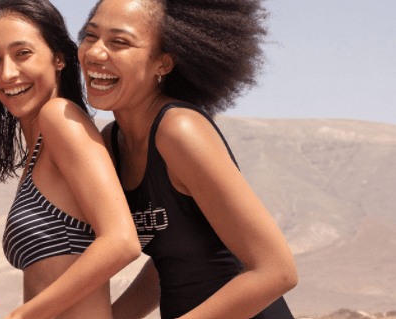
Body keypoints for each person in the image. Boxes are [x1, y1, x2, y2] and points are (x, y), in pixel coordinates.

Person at [77, 0, 298, 318]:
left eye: (120, 42)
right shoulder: (113, 141)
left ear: (163, 63)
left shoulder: (179, 130)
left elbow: (277, 271)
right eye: (90, 35)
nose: (95, 53)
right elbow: (173, 260)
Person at [0, 1, 141, 318]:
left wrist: (23, 315)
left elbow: (121, 241)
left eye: (22, 53)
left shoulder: (59, 119)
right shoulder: (41, 146)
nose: (7, 72)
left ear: (59, 57)